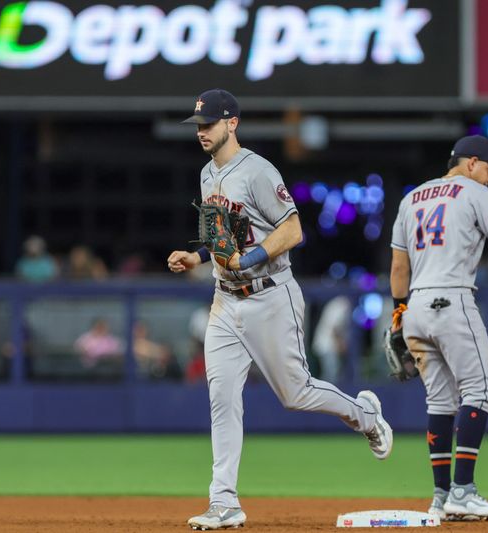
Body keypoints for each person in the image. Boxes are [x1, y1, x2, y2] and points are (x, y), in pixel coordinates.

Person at [166, 88, 392, 531]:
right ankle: (224, 500)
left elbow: (293, 229)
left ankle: (365, 415)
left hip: (270, 295)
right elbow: (221, 240)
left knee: (296, 394)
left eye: (209, 124)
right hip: (225, 301)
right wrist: (197, 258)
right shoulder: (206, 175)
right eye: (198, 125)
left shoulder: (257, 171)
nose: (202, 132)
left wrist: (250, 259)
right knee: (222, 399)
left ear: (232, 123)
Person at [389, 135, 488, 521]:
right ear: (471, 162)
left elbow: (398, 268)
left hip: (415, 305)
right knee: (480, 390)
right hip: (453, 299)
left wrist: (400, 313)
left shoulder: (411, 198)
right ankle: (463, 491)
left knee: (440, 401)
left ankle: (441, 496)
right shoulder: (474, 192)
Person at [311, 295, 352, 383]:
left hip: (326, 344)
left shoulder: (339, 302)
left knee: (331, 374)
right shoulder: (342, 304)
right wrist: (341, 344)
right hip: (327, 345)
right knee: (331, 375)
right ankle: (323, 396)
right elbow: (335, 328)